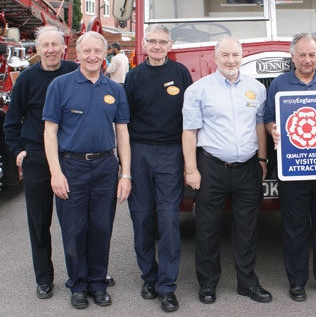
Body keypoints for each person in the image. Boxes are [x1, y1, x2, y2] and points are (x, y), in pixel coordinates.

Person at [43, 31, 131, 309]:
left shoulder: (115, 90)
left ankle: (97, 283)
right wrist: (56, 172)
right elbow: (49, 131)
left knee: (101, 228)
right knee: (74, 229)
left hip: (106, 166)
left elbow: (123, 134)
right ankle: (78, 286)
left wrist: (125, 173)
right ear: (77, 54)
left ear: (105, 54)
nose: (92, 56)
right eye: (87, 51)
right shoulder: (60, 86)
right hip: (71, 167)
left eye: (97, 51)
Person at [182, 36, 272, 305]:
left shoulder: (257, 88)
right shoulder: (199, 90)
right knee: (208, 229)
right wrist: (191, 169)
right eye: (226, 55)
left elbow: (259, 126)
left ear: (242, 55)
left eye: (235, 55)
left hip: (247, 167)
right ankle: (208, 284)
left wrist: (263, 159)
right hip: (211, 167)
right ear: (215, 57)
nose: (231, 60)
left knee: (247, 228)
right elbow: (189, 132)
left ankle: (247, 283)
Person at [263, 33, 316, 302]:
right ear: (293, 57)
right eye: (302, 55)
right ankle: (296, 282)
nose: (307, 60)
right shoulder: (279, 84)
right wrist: (273, 130)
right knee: (294, 228)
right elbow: (269, 119)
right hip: (293, 169)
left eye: (312, 55)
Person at [3, 26, 78, 299]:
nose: (50, 50)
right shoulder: (27, 80)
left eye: (55, 45)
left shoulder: (74, 71)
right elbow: (12, 121)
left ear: (62, 47)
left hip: (71, 157)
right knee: (39, 222)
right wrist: (18, 150)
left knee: (75, 221)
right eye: (45, 45)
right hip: (37, 158)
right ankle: (44, 278)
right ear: (37, 49)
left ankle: (82, 274)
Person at [124, 24, 193, 313]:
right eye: (151, 41)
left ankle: (167, 286)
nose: (156, 46)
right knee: (141, 219)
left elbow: (190, 119)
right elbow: (123, 123)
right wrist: (124, 165)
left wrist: (189, 161)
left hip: (170, 153)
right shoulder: (133, 76)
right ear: (144, 43)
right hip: (139, 151)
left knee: (167, 220)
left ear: (170, 44)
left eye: (162, 41)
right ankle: (148, 277)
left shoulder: (180, 74)